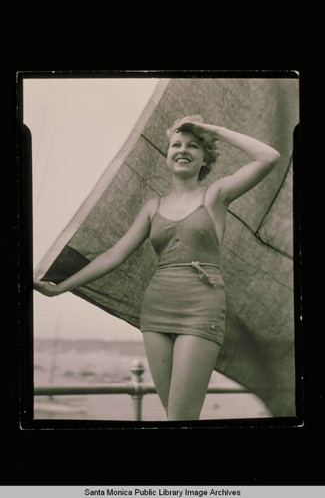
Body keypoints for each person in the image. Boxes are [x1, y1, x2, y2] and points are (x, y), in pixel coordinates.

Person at [34, 115, 280, 421]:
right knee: (172, 416)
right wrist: (60, 289)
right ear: (166, 156)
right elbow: (114, 254)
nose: (183, 150)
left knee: (181, 417)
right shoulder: (153, 206)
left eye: (193, 145)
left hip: (201, 308)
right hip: (157, 309)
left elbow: (269, 157)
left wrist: (214, 131)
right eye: (176, 145)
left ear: (206, 156)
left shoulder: (215, 195)